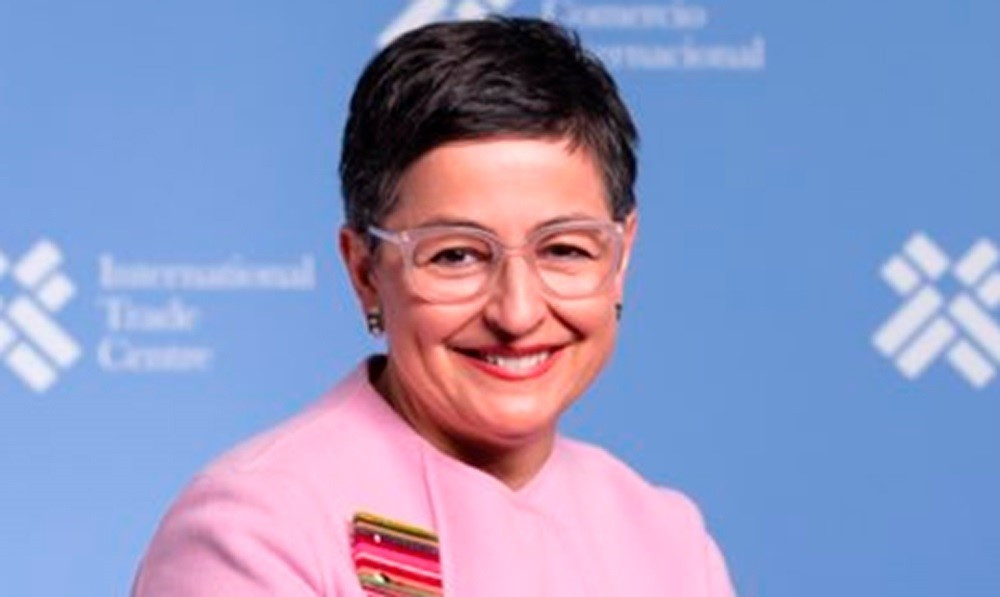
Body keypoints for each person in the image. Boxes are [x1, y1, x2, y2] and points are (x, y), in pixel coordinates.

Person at [132, 16, 735, 596]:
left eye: (564, 250)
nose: (518, 312)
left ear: (621, 259)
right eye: (456, 256)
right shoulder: (256, 531)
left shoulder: (668, 541)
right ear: (365, 272)